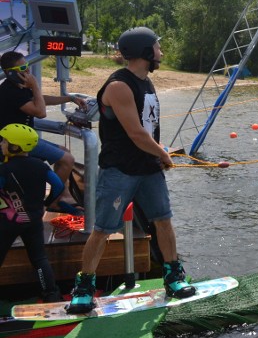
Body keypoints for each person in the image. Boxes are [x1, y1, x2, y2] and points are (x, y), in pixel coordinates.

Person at [67, 27, 195, 313]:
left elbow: (148, 130)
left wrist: (160, 154)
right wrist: (164, 154)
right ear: (145, 52)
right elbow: (136, 134)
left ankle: (173, 276)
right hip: (120, 171)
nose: (161, 52)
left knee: (163, 220)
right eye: (157, 47)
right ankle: (84, 287)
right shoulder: (119, 87)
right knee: (101, 229)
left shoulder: (146, 82)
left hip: (148, 169)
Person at [0, 50, 87, 215]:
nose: (28, 71)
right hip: (14, 143)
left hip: (25, 139)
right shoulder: (9, 91)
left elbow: (41, 99)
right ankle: (53, 202)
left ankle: (63, 196)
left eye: (28, 66)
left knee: (65, 152)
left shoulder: (18, 87)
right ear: (9, 73)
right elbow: (40, 111)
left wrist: (69, 99)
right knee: (67, 159)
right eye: (23, 68)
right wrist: (35, 86)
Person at [0, 123, 63, 302]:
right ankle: (51, 294)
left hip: (8, 223)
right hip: (33, 219)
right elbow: (58, 186)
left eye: (4, 141)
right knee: (39, 259)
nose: (1, 144)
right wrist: (46, 203)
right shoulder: (40, 166)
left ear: (14, 146)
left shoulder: (4, 169)